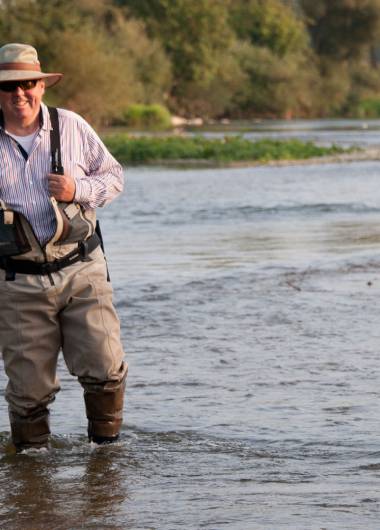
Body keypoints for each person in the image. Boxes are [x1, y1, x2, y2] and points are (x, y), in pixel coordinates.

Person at [0, 43, 128, 452]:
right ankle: (32, 479)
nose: (19, 95)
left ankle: (105, 459)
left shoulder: (71, 125)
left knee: (106, 369)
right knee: (27, 392)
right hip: (16, 279)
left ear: (41, 85)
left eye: (27, 85)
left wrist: (79, 189)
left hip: (82, 268)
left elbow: (114, 177)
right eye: (8, 88)